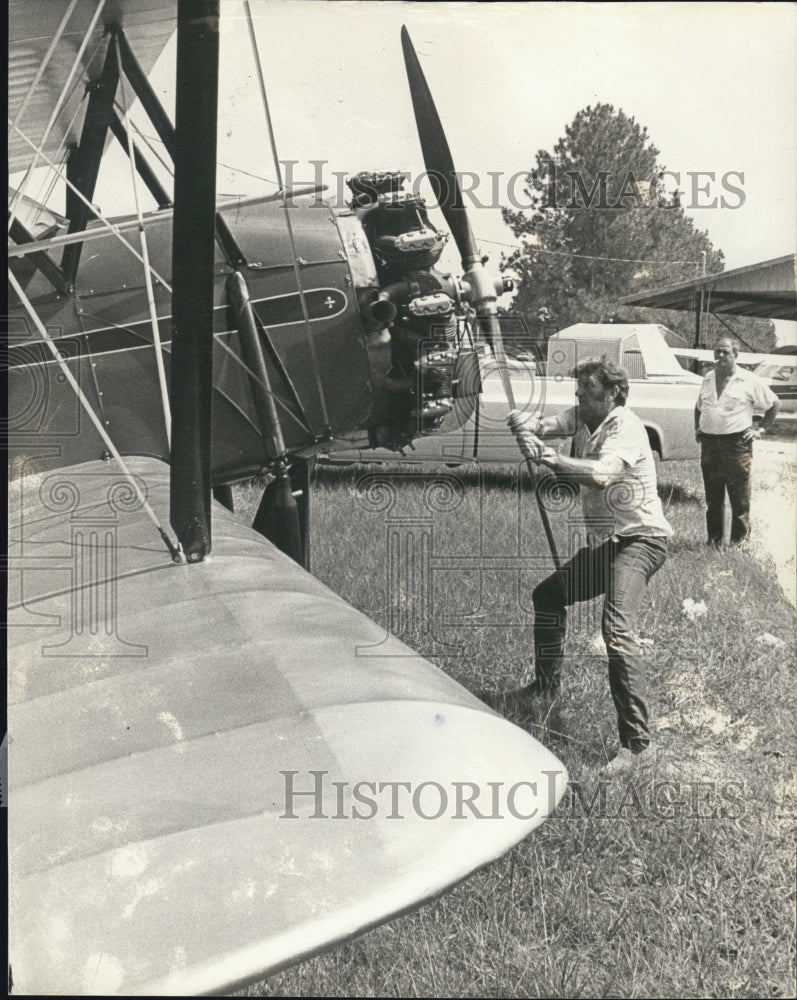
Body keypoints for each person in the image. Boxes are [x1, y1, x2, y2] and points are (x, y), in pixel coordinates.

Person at [507, 357, 672, 774]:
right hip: (609, 544)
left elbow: (601, 474)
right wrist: (525, 425)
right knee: (547, 595)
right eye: (578, 391)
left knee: (616, 629)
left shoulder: (626, 427)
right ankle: (545, 689)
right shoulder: (583, 415)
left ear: (613, 393)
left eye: (589, 392)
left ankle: (638, 746)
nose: (580, 397)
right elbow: (549, 424)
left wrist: (547, 457)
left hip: (641, 540)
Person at [694, 337, 780, 546]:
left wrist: (760, 429)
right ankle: (713, 542)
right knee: (713, 498)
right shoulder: (708, 377)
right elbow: (698, 406)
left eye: (725, 352)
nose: (720, 356)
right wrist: (697, 427)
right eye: (717, 352)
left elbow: (773, 404)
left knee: (739, 499)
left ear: (736, 355)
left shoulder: (748, 379)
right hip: (710, 445)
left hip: (736, 445)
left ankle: (738, 545)